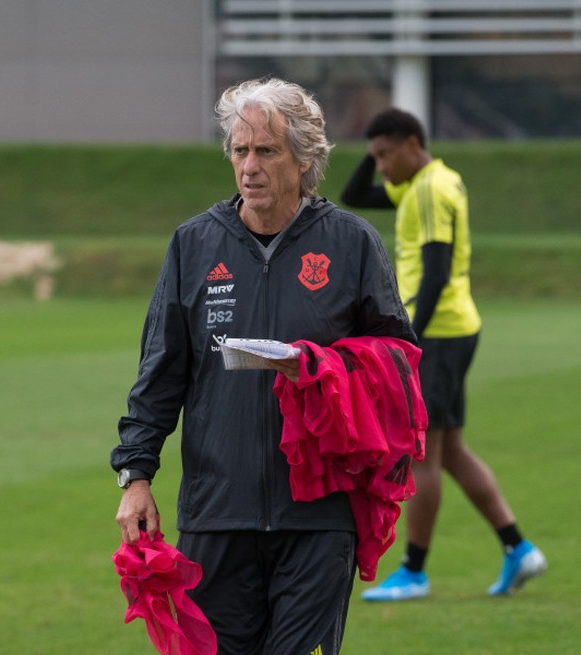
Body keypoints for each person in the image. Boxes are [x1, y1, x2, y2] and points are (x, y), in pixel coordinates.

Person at [112, 77, 416, 654]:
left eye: (267, 151)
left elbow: (399, 367)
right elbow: (160, 373)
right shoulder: (194, 244)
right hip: (218, 512)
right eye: (240, 150)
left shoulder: (352, 243)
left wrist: (324, 370)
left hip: (320, 515)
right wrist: (136, 477)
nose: (250, 166)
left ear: (305, 160)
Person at [340, 107, 546, 601]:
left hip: (438, 332)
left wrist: (412, 338)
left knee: (422, 455)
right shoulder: (420, 182)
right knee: (449, 450)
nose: (383, 167)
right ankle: (518, 548)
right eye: (377, 158)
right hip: (451, 329)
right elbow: (353, 197)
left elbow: (436, 272)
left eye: (387, 154)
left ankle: (414, 571)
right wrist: (371, 154)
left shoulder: (430, 188)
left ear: (414, 143)